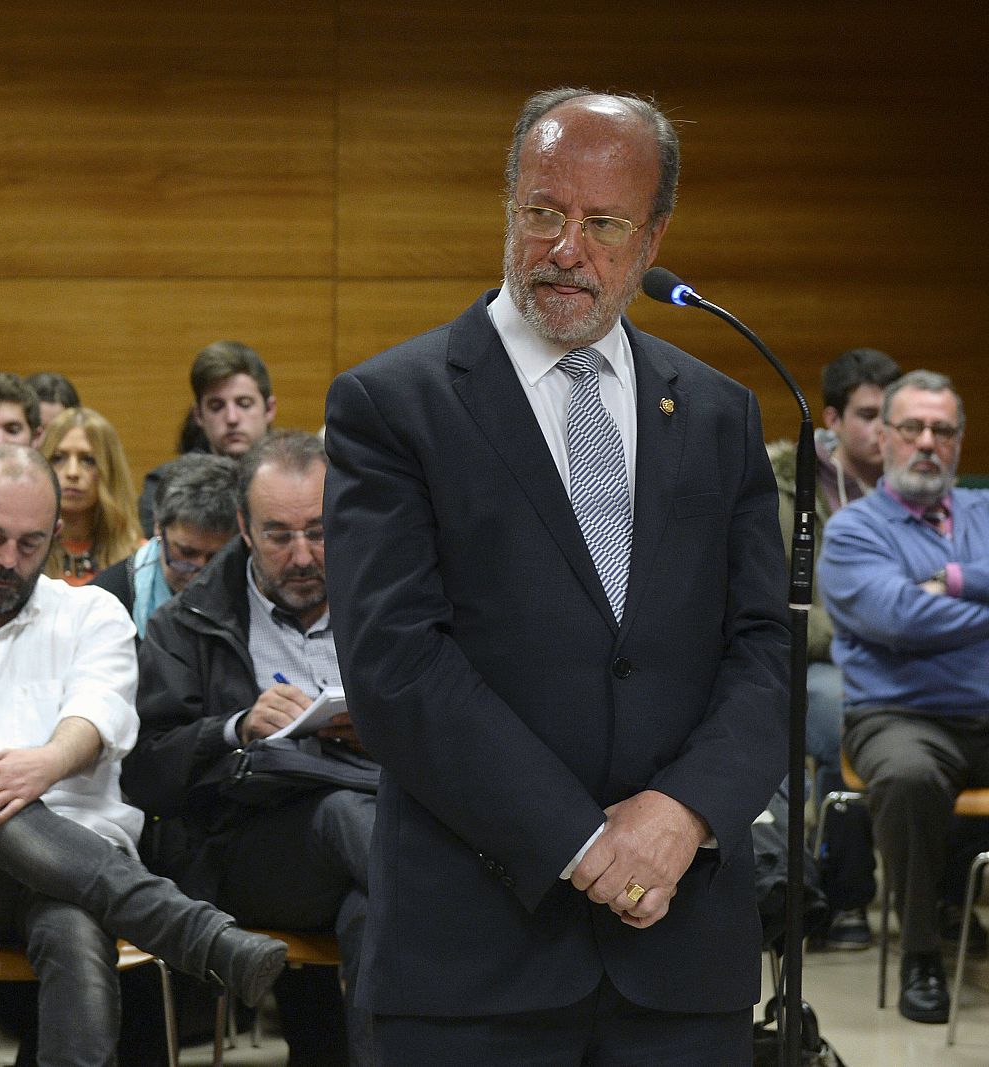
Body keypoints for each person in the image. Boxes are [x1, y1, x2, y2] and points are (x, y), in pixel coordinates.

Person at [323, 88, 789, 1062]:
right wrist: (586, 845)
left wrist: (683, 810)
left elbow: (763, 650)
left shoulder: (717, 412)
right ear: (508, 211)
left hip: (680, 953)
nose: (565, 249)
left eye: (605, 223)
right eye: (542, 212)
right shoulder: (391, 405)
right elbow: (397, 664)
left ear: (653, 238)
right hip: (473, 953)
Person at [0, 444, 287, 1065]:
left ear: (53, 536)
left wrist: (46, 764)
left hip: (80, 864)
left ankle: (188, 934)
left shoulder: (92, 613)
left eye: (29, 545)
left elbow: (101, 713)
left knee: (74, 924)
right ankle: (195, 934)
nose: (7, 561)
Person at [126, 430, 376, 1067]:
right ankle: (464, 919)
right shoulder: (186, 624)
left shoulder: (384, 605)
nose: (302, 557)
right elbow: (146, 773)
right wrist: (234, 728)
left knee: (369, 916)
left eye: (319, 533)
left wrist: (378, 726)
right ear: (242, 526)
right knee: (346, 816)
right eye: (278, 535)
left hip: (376, 825)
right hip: (248, 847)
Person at [819, 369, 989, 1024]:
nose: (927, 441)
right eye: (912, 427)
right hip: (899, 714)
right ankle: (921, 950)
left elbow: (920, 611)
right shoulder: (855, 529)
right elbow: (897, 619)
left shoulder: (981, 510)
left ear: (959, 441)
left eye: (942, 429)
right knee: (911, 775)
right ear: (884, 437)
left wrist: (948, 578)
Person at [767, 347, 900, 951]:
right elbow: (775, 603)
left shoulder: (919, 489)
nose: (885, 429)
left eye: (891, 414)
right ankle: (847, 895)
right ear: (831, 419)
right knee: (840, 714)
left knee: (955, 713)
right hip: (821, 659)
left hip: (912, 662)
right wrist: (859, 629)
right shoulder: (788, 483)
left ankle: (947, 898)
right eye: (870, 414)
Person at [93, 452, 238, 634]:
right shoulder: (105, 600)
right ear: (158, 527)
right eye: (187, 553)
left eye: (217, 557)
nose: (201, 575)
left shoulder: (256, 590)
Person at [138, 341, 276, 531]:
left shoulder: (295, 479)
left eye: (244, 404)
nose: (232, 418)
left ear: (269, 409)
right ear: (199, 415)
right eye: (216, 406)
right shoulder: (164, 486)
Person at [39, 406, 141, 585]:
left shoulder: (141, 560)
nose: (72, 472)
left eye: (88, 460)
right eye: (58, 458)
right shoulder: (20, 557)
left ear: (110, 471)